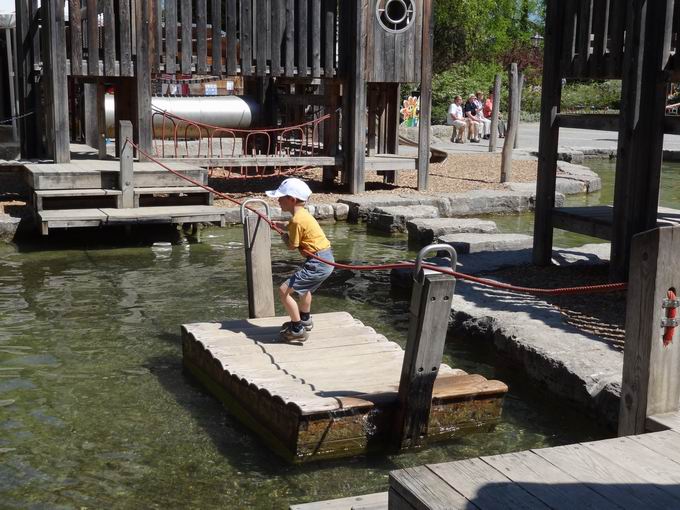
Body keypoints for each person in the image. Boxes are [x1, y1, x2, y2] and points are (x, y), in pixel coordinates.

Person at [266, 177, 334, 342]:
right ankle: (305, 319)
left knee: (284, 291)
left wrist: (281, 233)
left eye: (281, 198)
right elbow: (293, 226)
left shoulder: (296, 220)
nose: (278, 201)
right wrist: (279, 225)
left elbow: (291, 245)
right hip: (325, 258)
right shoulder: (302, 215)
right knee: (305, 289)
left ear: (292, 199)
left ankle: (297, 329)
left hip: (318, 263)